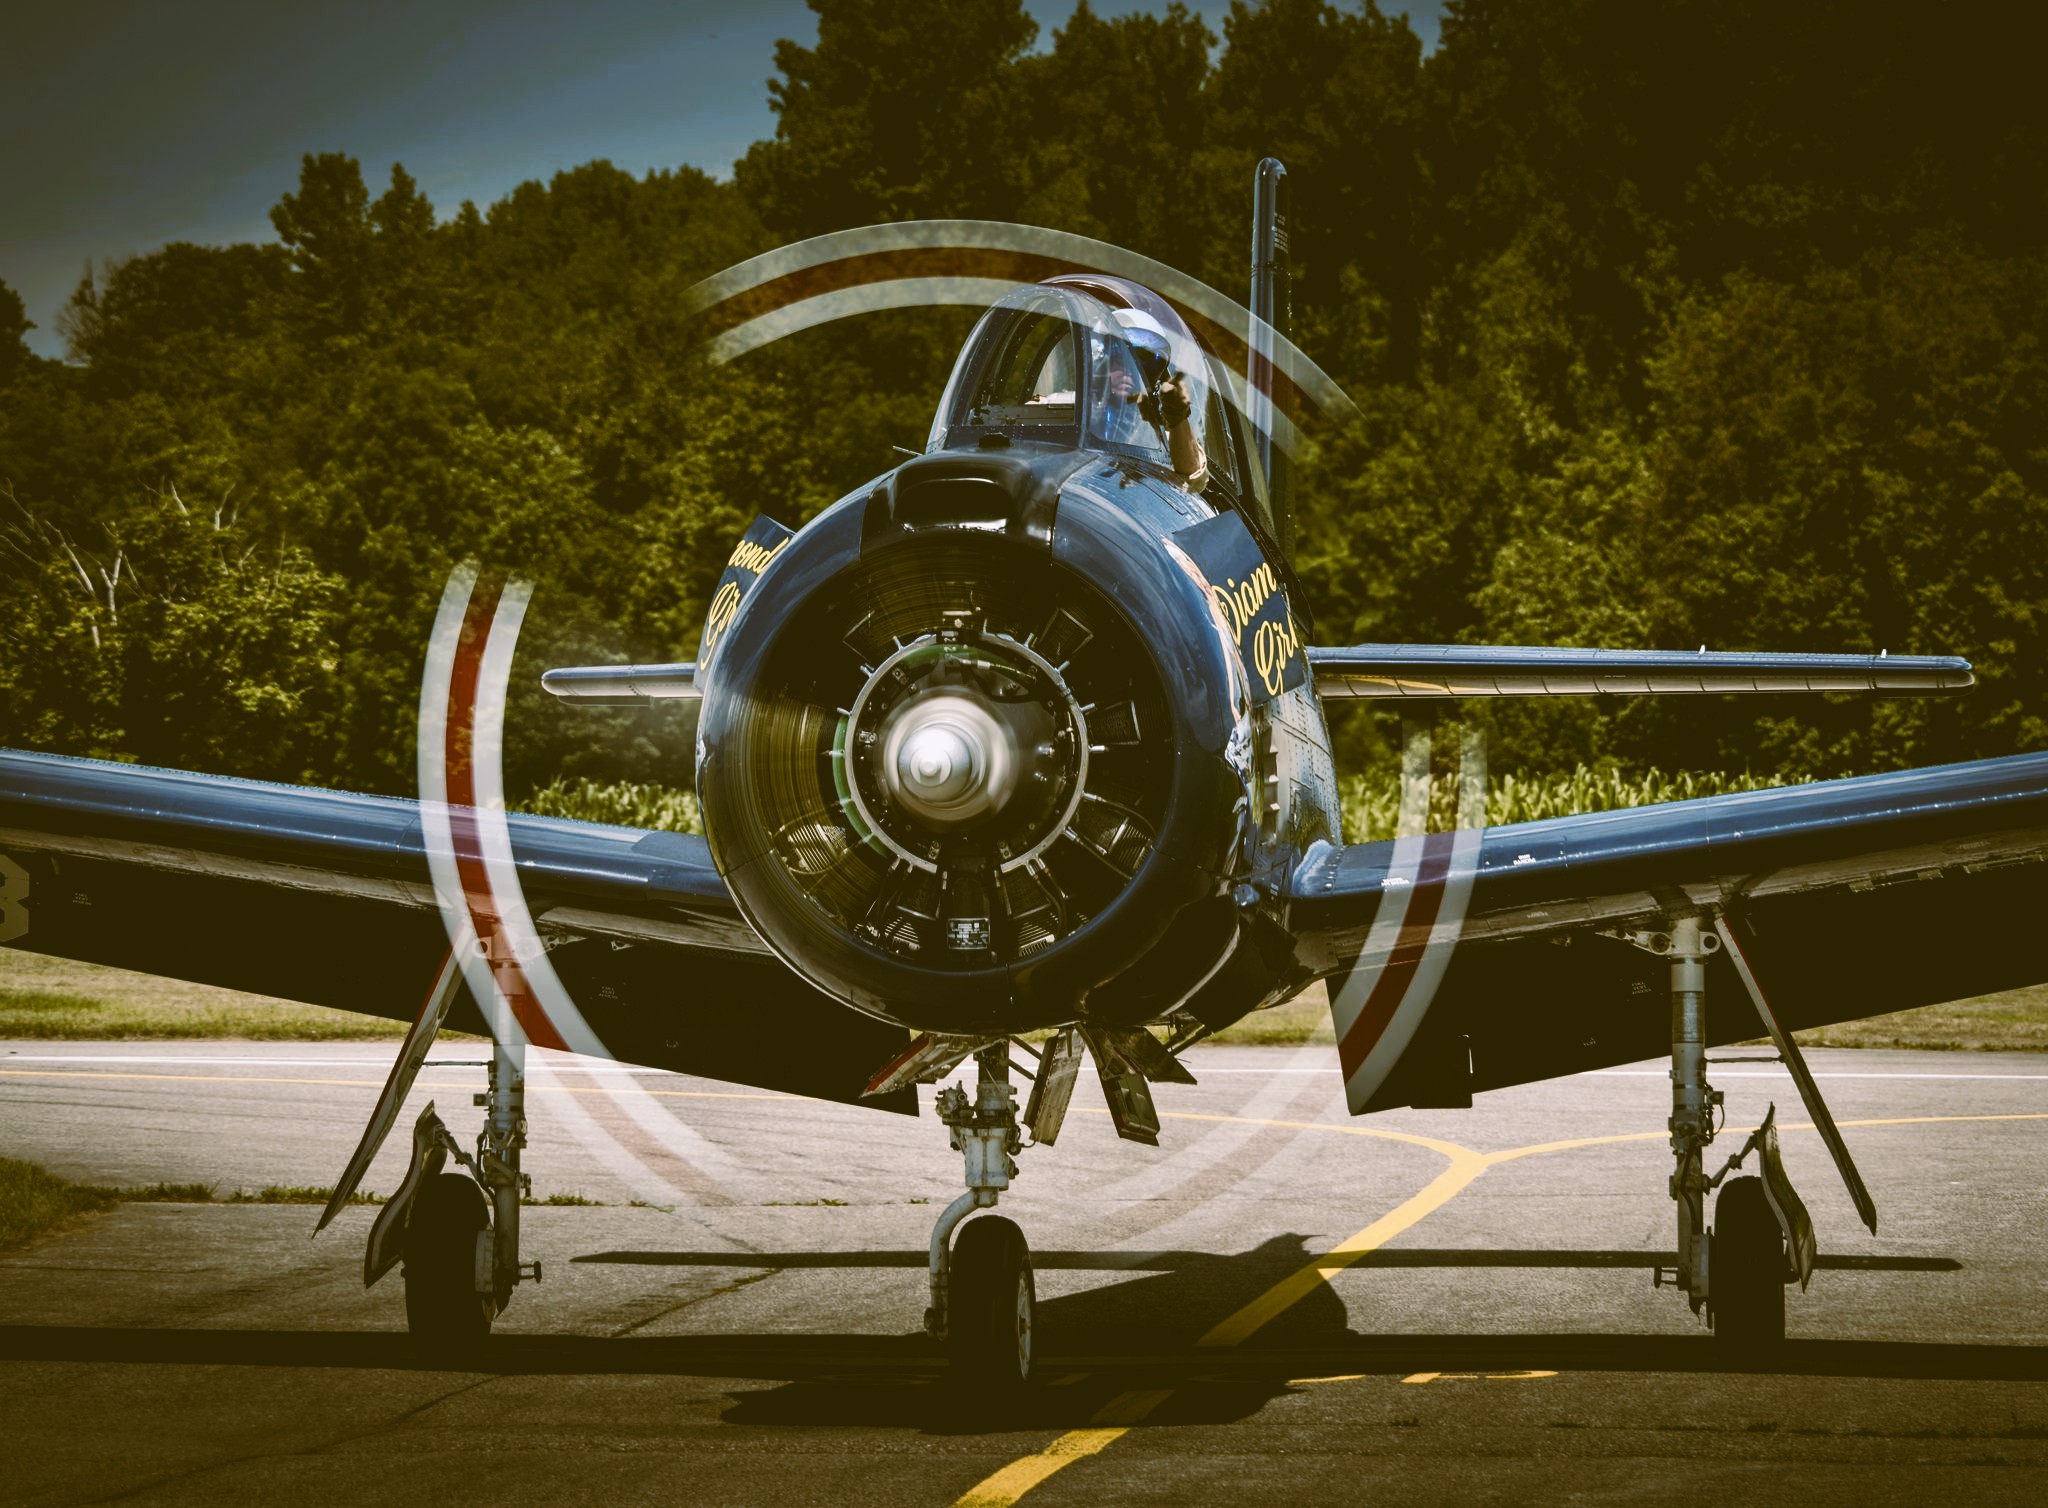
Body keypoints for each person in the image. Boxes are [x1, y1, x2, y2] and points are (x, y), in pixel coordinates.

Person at [1092, 315, 1209, 493]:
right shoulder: (1065, 409)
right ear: (1100, 361)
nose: (1129, 371)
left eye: (1142, 362)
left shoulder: (1165, 432)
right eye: (1119, 359)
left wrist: (1177, 418)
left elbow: (1194, 480)